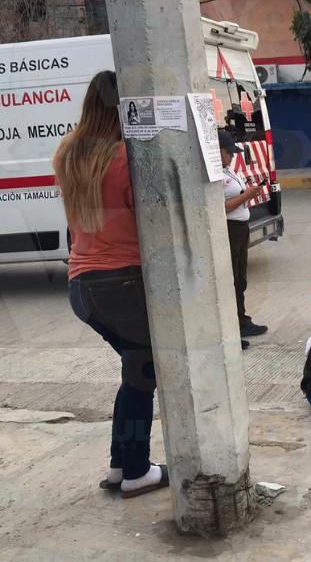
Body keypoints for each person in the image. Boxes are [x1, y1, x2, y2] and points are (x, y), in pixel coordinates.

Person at [54, 71, 168, 497]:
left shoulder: (67, 152)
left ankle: (122, 465)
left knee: (134, 372)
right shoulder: (125, 157)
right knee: (144, 372)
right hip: (119, 284)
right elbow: (151, 221)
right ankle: (137, 470)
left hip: (80, 286)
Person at [220, 128, 268, 344]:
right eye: (227, 152)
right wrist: (246, 196)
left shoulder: (229, 171)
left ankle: (241, 320)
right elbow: (220, 208)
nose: (231, 157)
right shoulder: (215, 176)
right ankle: (232, 327)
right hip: (229, 230)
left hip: (240, 228)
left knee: (240, 278)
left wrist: (248, 194)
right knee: (230, 280)